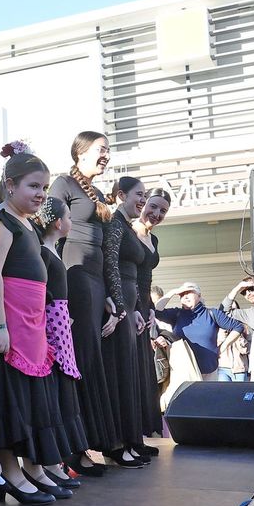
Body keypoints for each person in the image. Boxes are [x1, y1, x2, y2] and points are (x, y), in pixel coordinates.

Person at [0, 144, 72, 505]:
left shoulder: (27, 224)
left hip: (29, 324)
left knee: (32, 399)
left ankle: (35, 468)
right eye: (33, 186)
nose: (41, 194)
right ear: (10, 185)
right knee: (9, 398)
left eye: (44, 187)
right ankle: (11, 472)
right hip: (7, 322)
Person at [49, 131, 120, 475]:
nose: (106, 155)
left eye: (108, 150)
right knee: (77, 358)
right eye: (100, 149)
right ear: (81, 152)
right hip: (73, 275)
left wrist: (107, 293)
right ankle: (73, 451)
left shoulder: (99, 193)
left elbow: (105, 248)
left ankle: (88, 442)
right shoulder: (63, 183)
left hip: (94, 280)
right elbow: (46, 225)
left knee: (91, 360)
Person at [34, 197, 89, 485]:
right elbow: (41, 290)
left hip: (61, 323)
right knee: (56, 389)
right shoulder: (43, 253)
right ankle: (55, 460)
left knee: (64, 389)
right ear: (57, 222)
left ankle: (64, 457)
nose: (70, 221)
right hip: (51, 327)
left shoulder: (53, 250)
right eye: (68, 217)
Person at [102, 176, 152, 468]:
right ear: (121, 195)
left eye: (145, 195)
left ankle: (132, 440)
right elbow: (110, 263)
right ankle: (117, 445)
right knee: (119, 375)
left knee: (129, 375)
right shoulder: (114, 224)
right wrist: (121, 308)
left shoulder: (128, 227)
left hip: (129, 307)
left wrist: (134, 309)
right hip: (120, 309)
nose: (143, 200)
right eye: (139, 194)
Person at [155, 283, 251, 386]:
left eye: (189, 292)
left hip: (208, 373)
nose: (185, 296)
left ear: (199, 295)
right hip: (184, 373)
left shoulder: (212, 314)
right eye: (182, 294)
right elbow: (157, 311)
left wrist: (222, 347)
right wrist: (173, 292)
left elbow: (238, 327)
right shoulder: (176, 314)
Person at [132, 188, 171, 448]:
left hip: (145, 308)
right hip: (127, 305)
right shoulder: (127, 229)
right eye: (153, 206)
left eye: (163, 211)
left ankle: (148, 431)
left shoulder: (153, 239)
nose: (156, 214)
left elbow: (146, 279)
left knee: (146, 371)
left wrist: (150, 307)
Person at [218, 279, 254, 380]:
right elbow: (222, 312)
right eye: (243, 292)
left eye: (251, 289)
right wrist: (237, 289)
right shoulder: (247, 314)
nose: (248, 294)